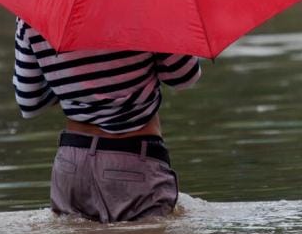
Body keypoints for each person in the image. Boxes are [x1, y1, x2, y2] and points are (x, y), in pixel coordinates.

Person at [13, 18, 201, 222]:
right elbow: (184, 77)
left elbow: (29, 100)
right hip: (132, 158)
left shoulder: (34, 15)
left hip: (71, 164)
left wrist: (74, 85)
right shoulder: (147, 4)